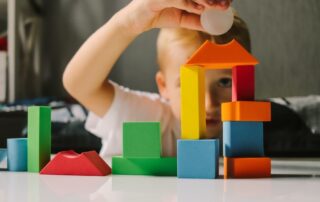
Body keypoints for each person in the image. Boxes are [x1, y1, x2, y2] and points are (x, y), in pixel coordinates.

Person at [62, 0, 253, 160]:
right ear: (164, 86)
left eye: (225, 82)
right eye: (189, 84)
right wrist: (126, 24)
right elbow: (79, 85)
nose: (210, 103)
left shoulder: (247, 132)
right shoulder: (149, 118)